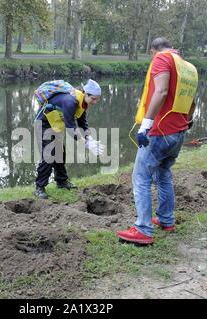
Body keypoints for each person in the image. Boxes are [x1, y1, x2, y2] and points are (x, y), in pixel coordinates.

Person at [117, 37, 198, 245]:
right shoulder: (187, 67)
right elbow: (193, 101)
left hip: (160, 131)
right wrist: (187, 122)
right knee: (163, 175)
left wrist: (145, 125)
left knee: (141, 177)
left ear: (153, 50)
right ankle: (166, 219)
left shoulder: (162, 59)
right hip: (178, 132)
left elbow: (161, 91)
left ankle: (143, 229)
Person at [33, 79, 105, 199]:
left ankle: (62, 182)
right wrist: (85, 143)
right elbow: (71, 128)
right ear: (86, 93)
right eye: (93, 98)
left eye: (97, 99)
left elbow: (82, 122)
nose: (95, 101)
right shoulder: (70, 101)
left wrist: (90, 138)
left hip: (55, 125)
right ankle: (39, 188)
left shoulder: (82, 103)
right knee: (49, 154)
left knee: (60, 152)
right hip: (43, 123)